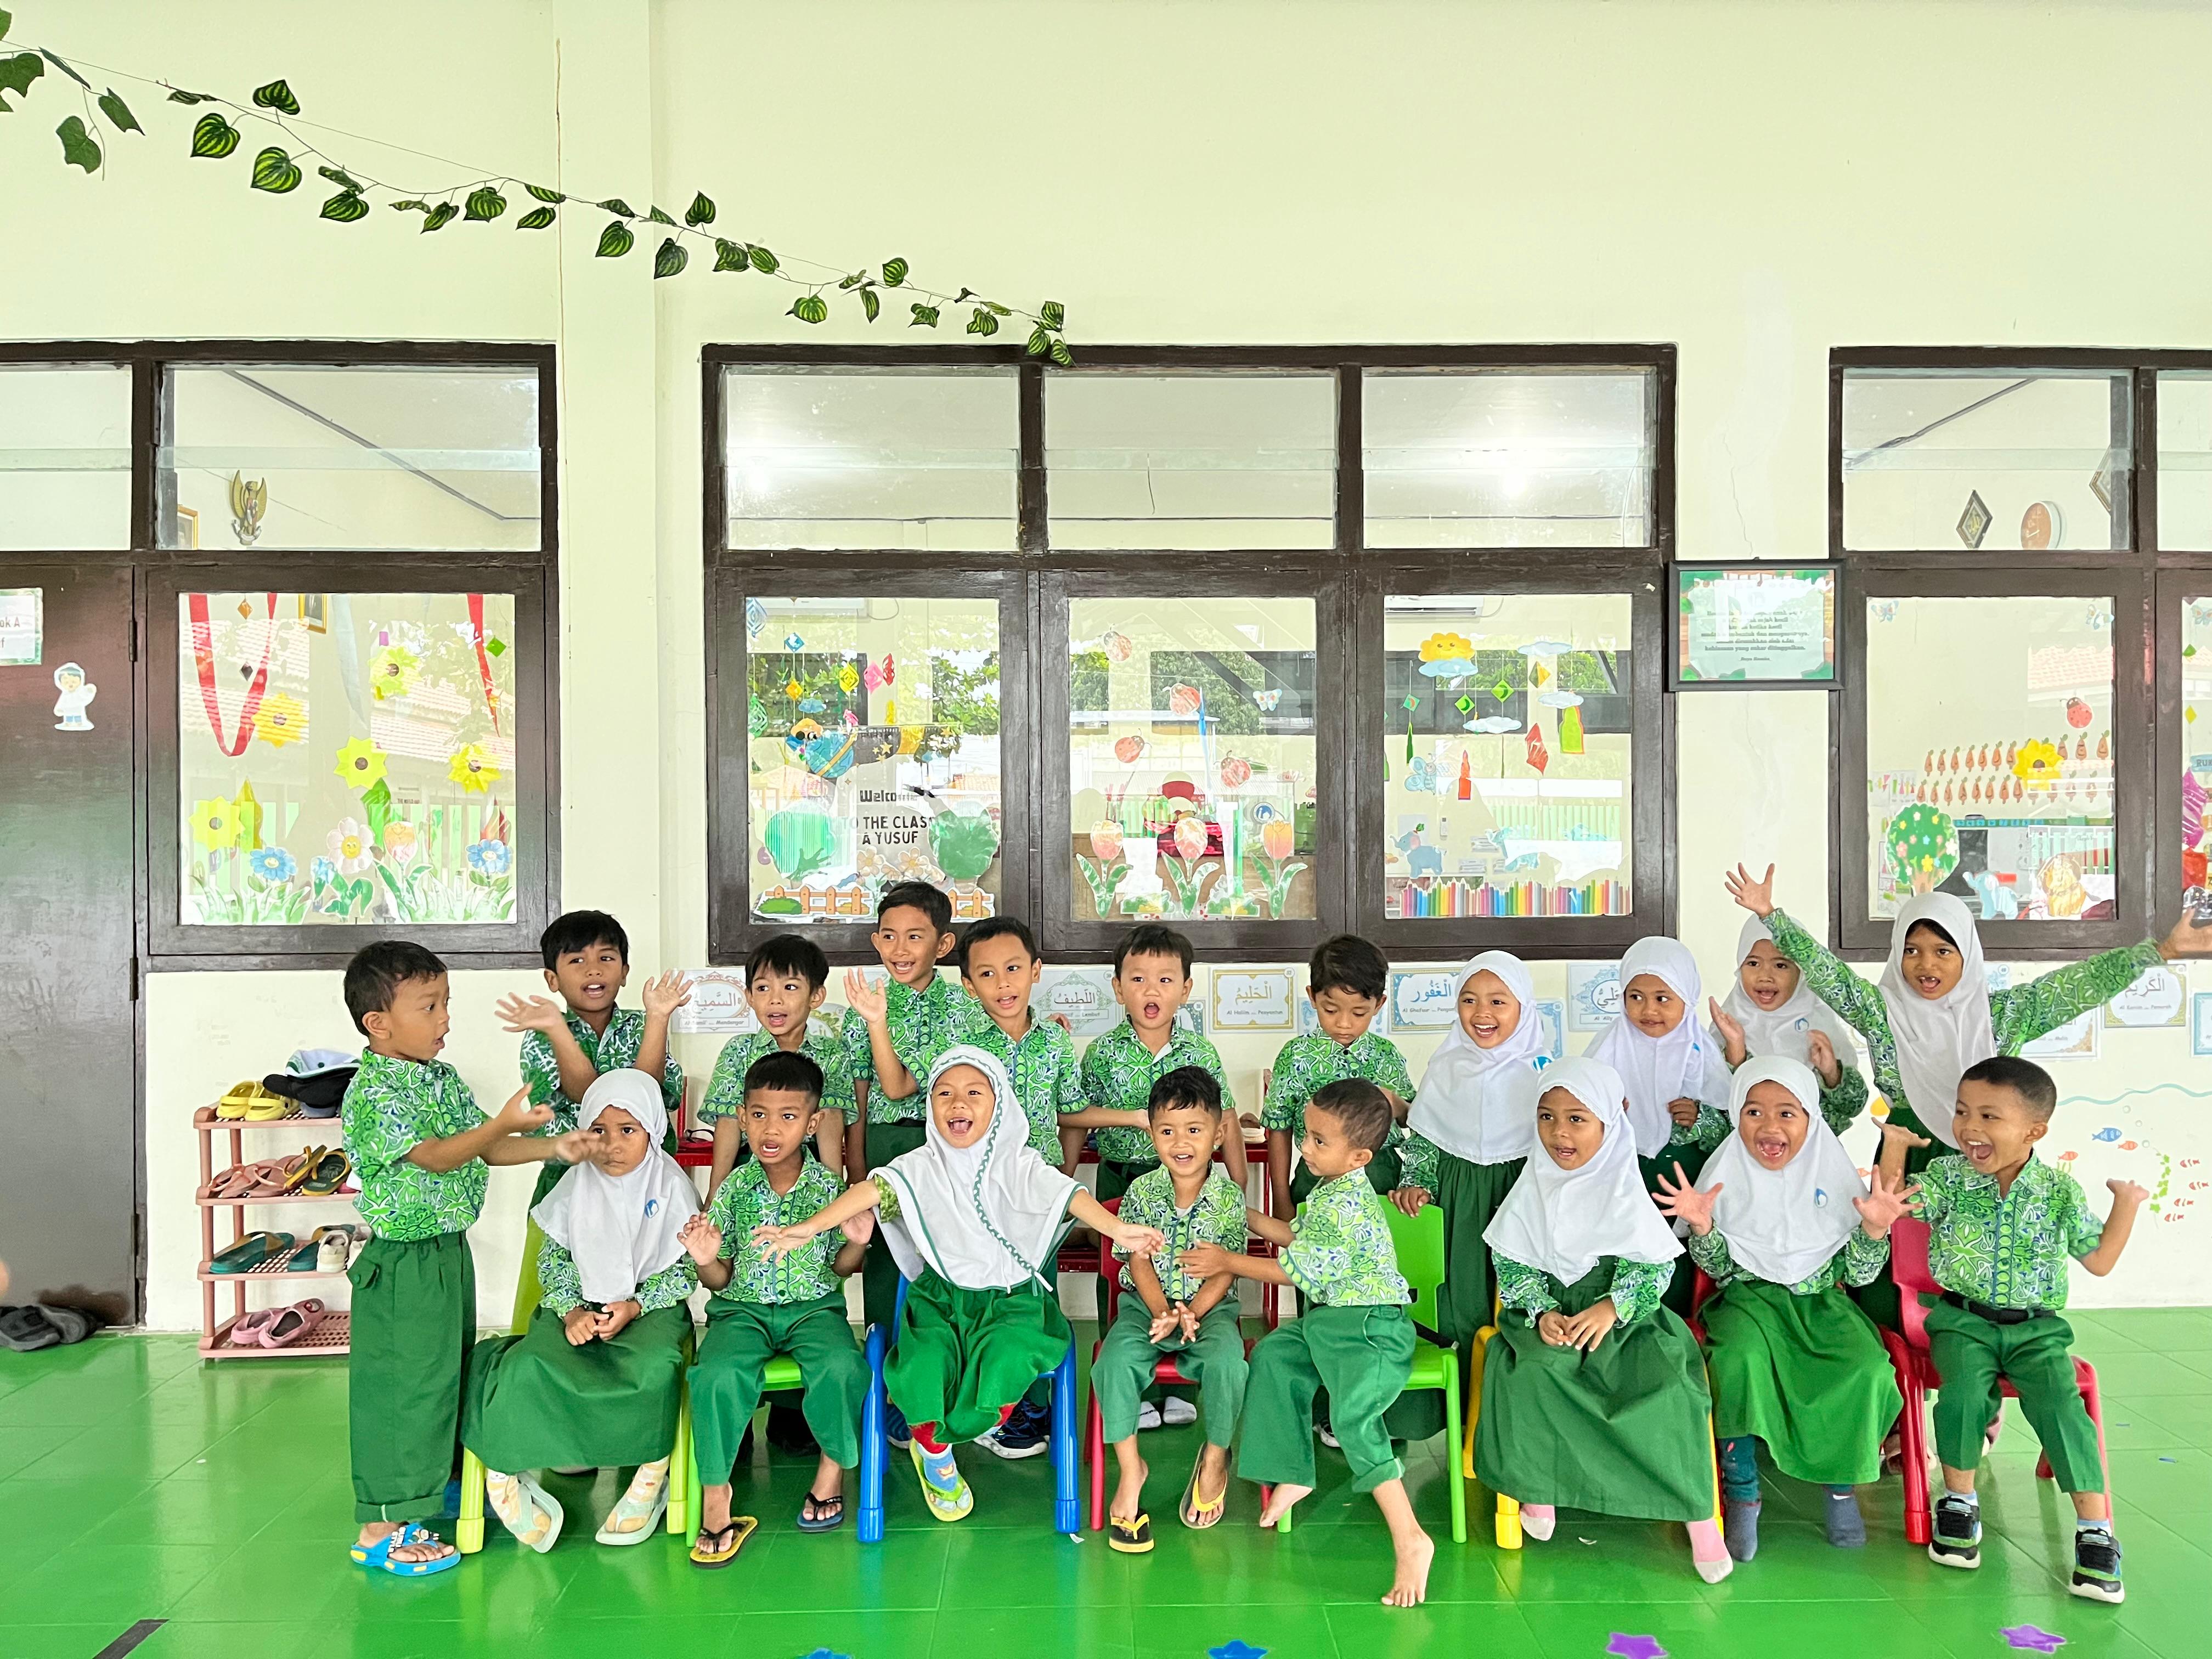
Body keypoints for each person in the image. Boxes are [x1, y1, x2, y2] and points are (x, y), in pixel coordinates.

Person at [753, 1047, 1164, 1523]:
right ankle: (933, 1450)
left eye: (974, 1093)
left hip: (1013, 1305)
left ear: (999, 1104)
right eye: (944, 1094)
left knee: (1009, 1360)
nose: (957, 1104)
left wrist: (1117, 1230)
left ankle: (947, 1438)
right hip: (940, 1303)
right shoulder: (922, 1165)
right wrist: (808, 1227)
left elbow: (1070, 1196)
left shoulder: (1021, 1163)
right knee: (922, 1367)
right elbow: (868, 1191)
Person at [340, 941, 587, 1577]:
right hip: (403, 1264)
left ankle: (430, 1488)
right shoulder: (373, 1092)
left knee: (445, 1374)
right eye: (429, 1006)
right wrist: (503, 1122)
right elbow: (437, 1156)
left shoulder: (438, 1079)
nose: (445, 1017)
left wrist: (553, 1145)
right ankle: (382, 1525)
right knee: (404, 1391)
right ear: (379, 1022)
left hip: (449, 1253)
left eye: (446, 1002)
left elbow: (486, 1150)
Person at [1724, 863, 2200, 1177]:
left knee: (1970, 1283)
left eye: (1942, 952)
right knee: (1897, 1289)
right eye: (1911, 951)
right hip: (1905, 1152)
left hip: (1988, 1154)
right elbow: (1829, 976)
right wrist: (1773, 917)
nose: (1925, 965)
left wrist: (2161, 952)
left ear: (1967, 954)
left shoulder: (2001, 1015)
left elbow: (2079, 987)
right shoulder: (1883, 1011)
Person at [1474, 1056, 1733, 1584]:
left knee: (1670, 1388)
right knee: (1536, 1369)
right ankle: (1541, 1488)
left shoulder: (1624, 1186)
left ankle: (1697, 1517)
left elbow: (1655, 1266)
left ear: (1608, 1124)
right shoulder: (1532, 1186)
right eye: (1547, 1117)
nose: (1559, 1133)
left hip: (1625, 1317)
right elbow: (1512, 1264)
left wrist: (1613, 1306)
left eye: (1577, 1119)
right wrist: (1542, 1310)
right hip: (1546, 1314)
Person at [1654, 1056, 1912, 1561]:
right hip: (1747, 1303)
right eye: (1753, 1112)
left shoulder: (1833, 1175)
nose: (1769, 1127)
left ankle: (1841, 1490)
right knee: (1737, 1364)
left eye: (1786, 1114)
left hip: (1824, 1307)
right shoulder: (1724, 1172)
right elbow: (1721, 1270)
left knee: (1864, 1370)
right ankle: (1744, 1495)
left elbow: (1857, 1277)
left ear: (1812, 1119)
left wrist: (1875, 1230)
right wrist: (1704, 1227)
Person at [1189, 1079, 1434, 1610]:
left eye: (1320, 1142)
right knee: (1274, 1356)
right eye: (1307, 1134)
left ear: (1360, 1157)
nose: (1305, 1147)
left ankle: (1411, 1539)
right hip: (1329, 1324)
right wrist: (1245, 1216)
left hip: (1370, 1327)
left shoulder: (1347, 1202)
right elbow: (1299, 1239)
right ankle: (1295, 1473)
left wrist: (1228, 1261)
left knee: (1354, 1421)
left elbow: (1296, 1271)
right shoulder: (1329, 1192)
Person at [1914, 1056, 2146, 1602]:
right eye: (1962, 1112)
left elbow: (2101, 1261)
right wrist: (1892, 1178)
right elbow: (1909, 1204)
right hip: (1961, 1321)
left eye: (1990, 1116)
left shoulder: (2059, 1193)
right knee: (1964, 1394)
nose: (1970, 1127)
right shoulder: (1948, 1177)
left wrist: (2127, 1205)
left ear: (2034, 1131)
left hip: (2038, 1331)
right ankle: (1959, 1503)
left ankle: (2096, 1533)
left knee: (2064, 1408)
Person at [460, 1070, 698, 1552]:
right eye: (599, 1131)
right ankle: (510, 1477)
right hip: (576, 1308)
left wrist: (635, 1304)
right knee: (529, 1365)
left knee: (655, 1370)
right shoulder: (575, 1183)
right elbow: (555, 1259)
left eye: (628, 1131)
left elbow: (685, 1271)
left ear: (652, 1129)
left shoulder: (671, 1185)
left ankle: (649, 1481)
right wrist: (572, 1311)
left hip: (651, 1312)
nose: (612, 1145)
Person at [679, 1051, 871, 1566]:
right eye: (759, 1114)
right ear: (741, 1118)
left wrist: (856, 1242)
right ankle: (717, 1495)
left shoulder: (829, 1191)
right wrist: (704, 1260)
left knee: (843, 1366)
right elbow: (718, 1279)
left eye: (788, 1117)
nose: (770, 1129)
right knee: (715, 1375)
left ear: (812, 1125)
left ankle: (830, 1473)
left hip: (814, 1311)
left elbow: (840, 1270)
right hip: (741, 1314)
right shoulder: (733, 1190)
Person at [1062, 923, 1242, 1431]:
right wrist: (1074, 1175)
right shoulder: (1102, 1052)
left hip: (1194, 1184)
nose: (1151, 991)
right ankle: (1136, 1390)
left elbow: (1224, 1116)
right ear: (1118, 988)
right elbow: (1074, 1116)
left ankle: (1177, 1384)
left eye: (1165, 980)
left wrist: (1237, 1178)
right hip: (1125, 1178)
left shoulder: (1200, 1053)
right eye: (1137, 979)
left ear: (1186, 988)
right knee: (1122, 1278)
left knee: (1185, 1270)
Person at [494, 911, 689, 1327]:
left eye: (606, 958)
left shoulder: (643, 1023)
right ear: (553, 979)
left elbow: (647, 1093)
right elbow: (589, 1099)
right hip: (569, 1179)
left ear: (624, 971)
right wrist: (557, 1029)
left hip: (645, 1184)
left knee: (645, 1289)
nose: (593, 969)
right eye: (576, 961)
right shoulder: (541, 1032)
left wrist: (658, 1019)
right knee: (552, 1293)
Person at [1091, 1066, 1250, 1551]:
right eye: (1167, 1131)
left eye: (1195, 1130)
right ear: (1153, 1134)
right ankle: (1131, 1468)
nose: (1181, 1143)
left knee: (1227, 1364)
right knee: (1114, 1362)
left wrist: (1194, 1312)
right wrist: (1163, 1310)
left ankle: (1217, 1456)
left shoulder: (1227, 1196)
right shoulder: (1142, 1193)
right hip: (1147, 1306)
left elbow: (1224, 1269)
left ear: (1218, 1133)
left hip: (1212, 1309)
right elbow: (1137, 1259)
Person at [946, 915, 1085, 1458]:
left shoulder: (1054, 1042)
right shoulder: (962, 1049)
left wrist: (1064, 1181)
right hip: (977, 1196)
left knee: (1034, 1296)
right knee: (981, 1295)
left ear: (1036, 971)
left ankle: (1024, 1407)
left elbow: (1070, 1116)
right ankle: (981, 1399)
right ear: (969, 984)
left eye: (1013, 969)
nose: (1003, 983)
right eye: (987, 974)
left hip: (1038, 1198)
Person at [1389, 953, 1546, 1367]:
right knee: (1457, 1300)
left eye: (1498, 1001)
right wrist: (1416, 1182)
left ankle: (1499, 1408)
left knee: (1513, 1301)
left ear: (1523, 1007)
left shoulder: (1542, 1073)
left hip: (1518, 1195)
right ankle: (1456, 1408)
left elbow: (1556, 1146)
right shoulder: (1446, 1067)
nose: (1482, 1014)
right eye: (1469, 1000)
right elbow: (1425, 1136)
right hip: (1456, 1199)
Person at [839, 881, 968, 1356]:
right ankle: (889, 1384)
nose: (900, 948)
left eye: (915, 936)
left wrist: (879, 1023)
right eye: (889, 936)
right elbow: (858, 1097)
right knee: (886, 1261)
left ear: (944, 944)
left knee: (941, 1259)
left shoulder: (960, 1007)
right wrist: (856, 1176)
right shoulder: (864, 1006)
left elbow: (899, 1086)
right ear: (876, 941)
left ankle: (940, 1376)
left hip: (942, 1148)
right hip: (882, 1147)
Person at [1260, 934, 1418, 1219]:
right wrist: (1281, 1197)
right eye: (1330, 1010)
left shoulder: (1386, 1056)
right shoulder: (1296, 1057)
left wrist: (1396, 1104)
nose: (1344, 1024)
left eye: (1359, 1013)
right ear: (1313, 997)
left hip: (1382, 1180)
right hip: (1315, 1179)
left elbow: (1416, 1122)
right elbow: (1278, 1129)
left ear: (1379, 1005)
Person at [699, 933, 855, 1193]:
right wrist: (714, 1197)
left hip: (810, 1176)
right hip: (748, 1173)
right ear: (749, 996)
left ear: (816, 996)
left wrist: (834, 1192)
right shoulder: (739, 1051)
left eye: (790, 987)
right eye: (763, 988)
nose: (775, 999)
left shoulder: (831, 1053)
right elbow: (728, 1126)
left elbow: (831, 1122)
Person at [1588, 936, 1733, 1190]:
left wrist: (1700, 1118)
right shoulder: (1607, 1048)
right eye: (1636, 997)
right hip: (1623, 1181)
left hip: (1691, 1183)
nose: (1648, 1011)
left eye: (1662, 999)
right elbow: (1578, 1110)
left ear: (1686, 998)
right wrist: (1602, 1110)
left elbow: (1732, 1130)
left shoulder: (1701, 1053)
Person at [1703, 915, 1869, 1131]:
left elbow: (1851, 1107)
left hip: (1813, 1157)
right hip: (1745, 1159)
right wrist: (1736, 1053)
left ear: (1800, 972)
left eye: (1781, 965)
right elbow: (1718, 1115)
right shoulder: (1727, 1027)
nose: (1765, 976)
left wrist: (1831, 1073)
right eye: (1753, 963)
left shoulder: (1819, 1026)